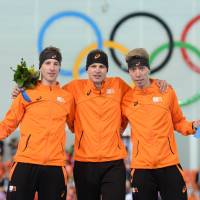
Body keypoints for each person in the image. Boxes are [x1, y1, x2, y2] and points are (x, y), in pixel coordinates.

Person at [12, 49, 167, 200]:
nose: (97, 70)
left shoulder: (118, 85)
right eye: (93, 66)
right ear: (87, 69)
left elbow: (139, 94)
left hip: (114, 162)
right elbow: (50, 93)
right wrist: (25, 88)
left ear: (107, 69)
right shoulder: (73, 88)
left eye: (101, 66)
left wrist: (154, 83)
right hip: (84, 163)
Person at [122, 48, 200, 200]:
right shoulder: (126, 99)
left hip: (169, 164)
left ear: (148, 69)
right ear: (129, 72)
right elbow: (117, 127)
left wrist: (193, 126)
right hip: (141, 168)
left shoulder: (166, 91)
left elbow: (178, 121)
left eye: (141, 68)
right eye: (133, 69)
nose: (138, 73)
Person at [0, 46, 74, 200]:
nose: (52, 67)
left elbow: (75, 126)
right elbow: (8, 124)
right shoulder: (26, 92)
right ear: (40, 66)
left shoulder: (67, 97)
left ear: (60, 67)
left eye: (55, 63)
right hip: (26, 162)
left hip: (55, 165)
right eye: (47, 63)